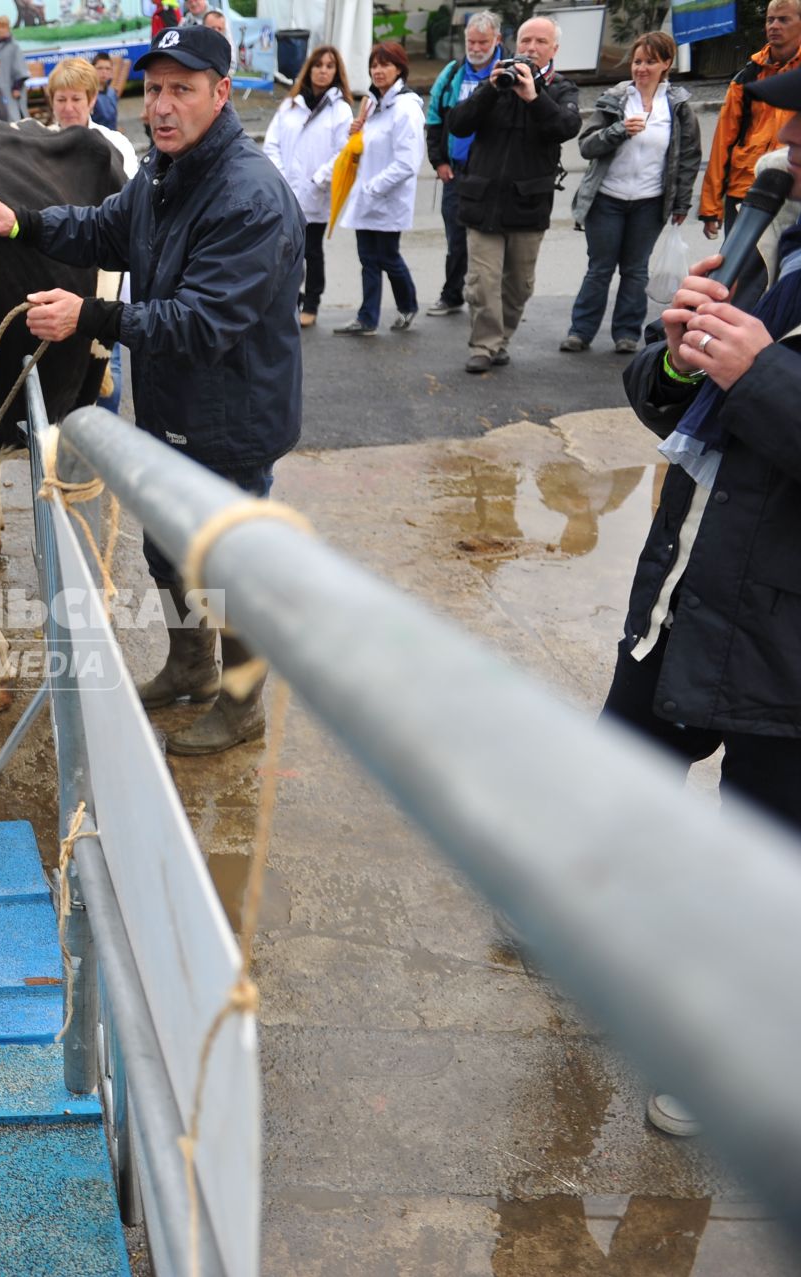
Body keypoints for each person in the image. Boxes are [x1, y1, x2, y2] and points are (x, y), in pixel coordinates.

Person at [0, 25, 304, 754]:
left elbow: (201, 325)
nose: (163, 107)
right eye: (157, 89)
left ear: (222, 93)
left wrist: (89, 315)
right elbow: (106, 229)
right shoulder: (164, 172)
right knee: (169, 553)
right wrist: (25, 225)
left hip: (233, 414)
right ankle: (190, 666)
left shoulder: (247, 196)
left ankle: (241, 706)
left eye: (184, 89)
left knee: (225, 566)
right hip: (177, 408)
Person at [605, 65, 801, 1138]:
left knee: (766, 851)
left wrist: (761, 370)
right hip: (688, 581)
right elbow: (669, 408)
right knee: (619, 768)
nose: (793, 145)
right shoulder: (770, 238)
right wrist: (679, 353)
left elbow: (767, 392)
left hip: (789, 639)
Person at [444, 15, 580, 375]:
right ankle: (484, 346)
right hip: (482, 201)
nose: (530, 49)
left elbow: (565, 128)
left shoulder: (561, 89)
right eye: (525, 41)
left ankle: (501, 338)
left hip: (528, 204)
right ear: (513, 43)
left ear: (554, 49)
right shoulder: (495, 82)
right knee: (482, 283)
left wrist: (534, 97)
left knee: (519, 285)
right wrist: (490, 89)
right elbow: (457, 123)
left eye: (539, 42)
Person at [564, 33, 702, 355]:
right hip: (606, 199)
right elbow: (586, 146)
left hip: (649, 202)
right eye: (638, 61)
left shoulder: (677, 107)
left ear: (666, 64)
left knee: (636, 270)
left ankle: (626, 333)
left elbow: (689, 158)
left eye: (650, 62)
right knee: (600, 268)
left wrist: (681, 202)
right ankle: (580, 331)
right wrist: (618, 130)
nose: (641, 68)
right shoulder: (616, 99)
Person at [46, 57, 139, 414]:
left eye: (76, 100)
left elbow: (128, 207)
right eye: (61, 100)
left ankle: (101, 458)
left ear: (91, 101)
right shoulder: (37, 144)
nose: (68, 108)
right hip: (54, 273)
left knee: (106, 382)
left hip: (104, 278)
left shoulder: (115, 145)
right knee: (57, 383)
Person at [334, 42, 423, 336]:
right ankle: (367, 318)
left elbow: (407, 163)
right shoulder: (373, 103)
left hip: (387, 197)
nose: (378, 71)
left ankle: (408, 304)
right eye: (374, 65)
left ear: (399, 69)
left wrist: (374, 187)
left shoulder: (407, 109)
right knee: (367, 260)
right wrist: (357, 134)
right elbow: (369, 145)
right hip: (367, 196)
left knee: (387, 257)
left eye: (385, 65)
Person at [264, 43, 353, 327]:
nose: (323, 71)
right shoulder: (290, 105)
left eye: (329, 66)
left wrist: (319, 178)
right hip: (286, 191)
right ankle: (290, 299)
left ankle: (311, 303)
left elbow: (343, 152)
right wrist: (280, 176)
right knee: (285, 251)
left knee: (312, 252)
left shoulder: (341, 110)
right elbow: (272, 144)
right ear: (309, 69)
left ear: (336, 72)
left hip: (316, 193)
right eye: (318, 65)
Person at [424, 11, 504, 318]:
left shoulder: (507, 71)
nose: (475, 47)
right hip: (456, 172)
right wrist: (439, 161)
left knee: (489, 241)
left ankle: (488, 298)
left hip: (493, 174)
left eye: (483, 41)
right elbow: (434, 119)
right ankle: (452, 294)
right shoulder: (452, 73)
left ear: (496, 40)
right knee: (456, 239)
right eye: (471, 40)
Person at [700, 0, 800, 238]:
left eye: (783, 20)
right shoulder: (746, 77)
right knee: (735, 270)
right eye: (769, 20)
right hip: (745, 190)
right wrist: (710, 207)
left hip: (793, 189)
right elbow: (722, 143)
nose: (774, 26)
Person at [0, 16, 29, 121]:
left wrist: (17, 87)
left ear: (8, 28)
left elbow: (20, 69)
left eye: (3, 26)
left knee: (14, 115)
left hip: (11, 89)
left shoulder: (14, 47)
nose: (1, 29)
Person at [91, 53, 119, 129]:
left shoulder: (112, 92)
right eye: (100, 68)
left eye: (107, 68)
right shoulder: (88, 94)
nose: (104, 72)